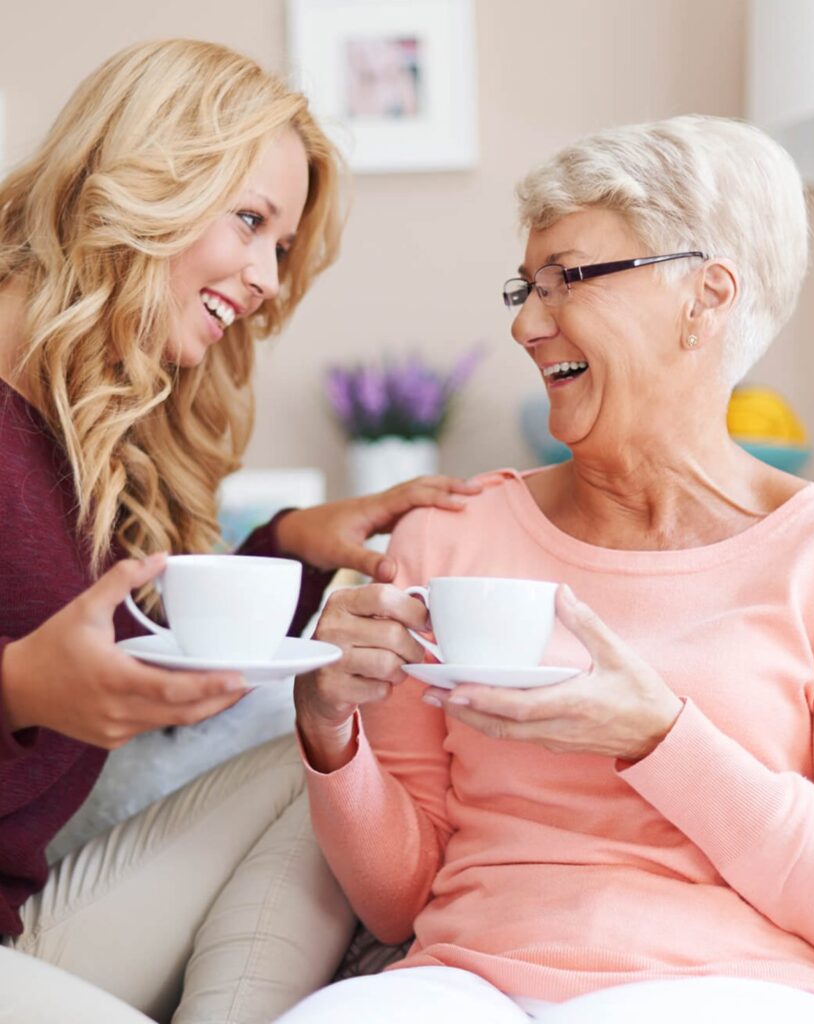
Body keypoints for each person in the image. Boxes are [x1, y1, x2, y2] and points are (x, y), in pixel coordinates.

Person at [287, 115, 814, 1023]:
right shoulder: (448, 538)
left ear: (705, 297)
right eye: (524, 287)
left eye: (566, 280)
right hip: (463, 985)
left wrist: (658, 736)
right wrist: (324, 726)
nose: (525, 324)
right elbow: (397, 901)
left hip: (728, 989)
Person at [0, 39, 478, 1024]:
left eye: (281, 247)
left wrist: (295, 543)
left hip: (21, 920)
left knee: (330, 749)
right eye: (251, 221)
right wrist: (17, 689)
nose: (265, 278)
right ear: (145, 178)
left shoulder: (86, 433)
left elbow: (149, 665)